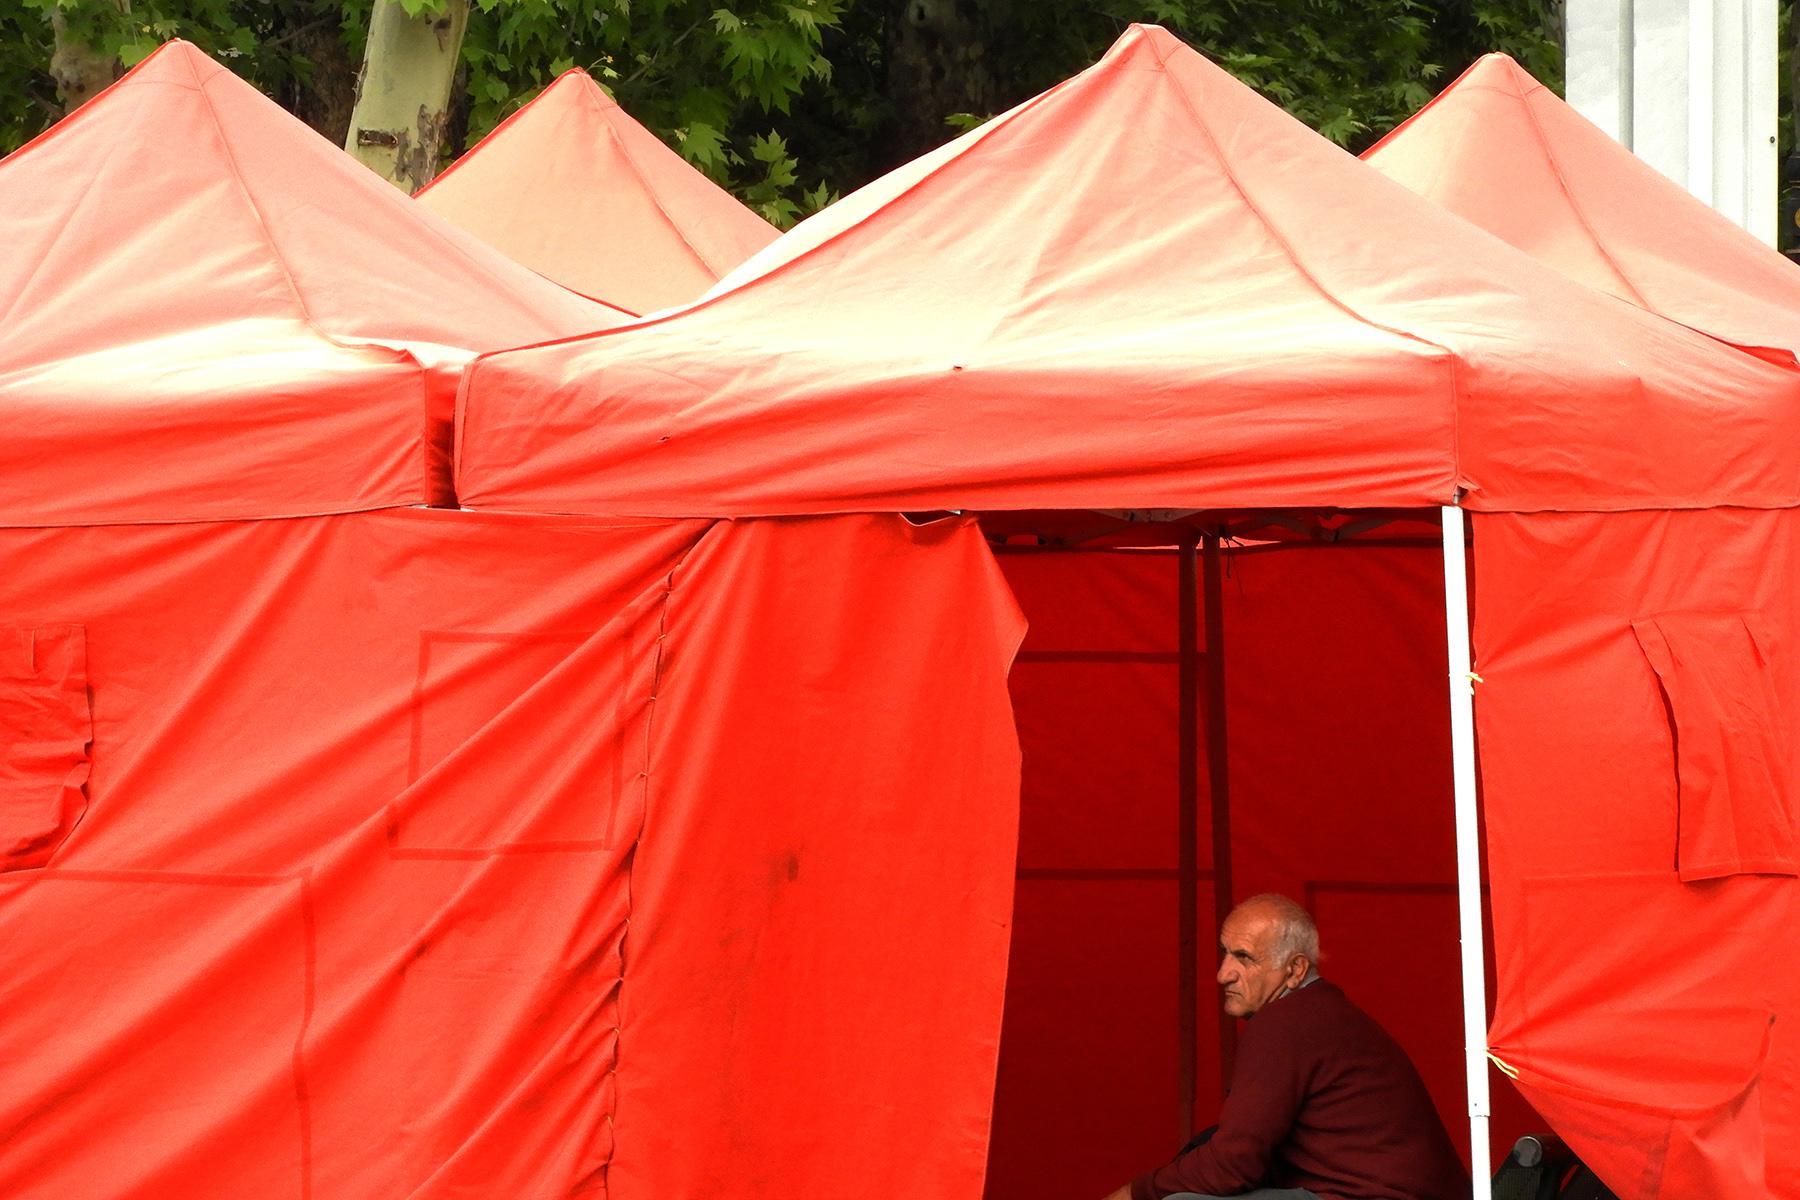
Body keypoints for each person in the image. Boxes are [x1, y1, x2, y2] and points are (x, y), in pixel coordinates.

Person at [1100, 894, 1469, 1200]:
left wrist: (1136, 1193)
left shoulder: (1287, 1022)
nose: (1223, 973)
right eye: (1224, 953)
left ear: (1294, 970)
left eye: (1244, 958)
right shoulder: (1322, 1013)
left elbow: (1232, 1165)